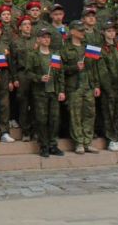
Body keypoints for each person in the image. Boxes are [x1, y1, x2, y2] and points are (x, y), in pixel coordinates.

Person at [61, 22, 101, 154]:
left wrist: (96, 85)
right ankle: (79, 142)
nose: (83, 33)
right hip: (74, 87)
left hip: (88, 85)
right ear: (72, 32)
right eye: (80, 30)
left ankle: (87, 141)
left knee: (90, 114)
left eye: (83, 30)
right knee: (75, 115)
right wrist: (74, 68)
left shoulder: (87, 48)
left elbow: (94, 68)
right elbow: (60, 70)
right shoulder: (65, 49)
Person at [26, 29, 65, 158]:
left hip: (53, 91)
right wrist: (39, 78)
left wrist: (61, 90)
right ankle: (44, 146)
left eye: (48, 37)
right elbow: (28, 73)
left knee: (55, 119)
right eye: (43, 37)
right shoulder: (33, 55)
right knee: (41, 120)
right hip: (40, 92)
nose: (46, 39)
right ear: (38, 39)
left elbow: (60, 74)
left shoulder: (55, 55)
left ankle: (53, 145)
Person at [99, 22, 118, 151]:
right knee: (109, 114)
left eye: (113, 31)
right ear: (104, 33)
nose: (111, 33)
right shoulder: (101, 49)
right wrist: (108, 87)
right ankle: (111, 139)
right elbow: (102, 70)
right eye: (108, 31)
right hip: (109, 87)